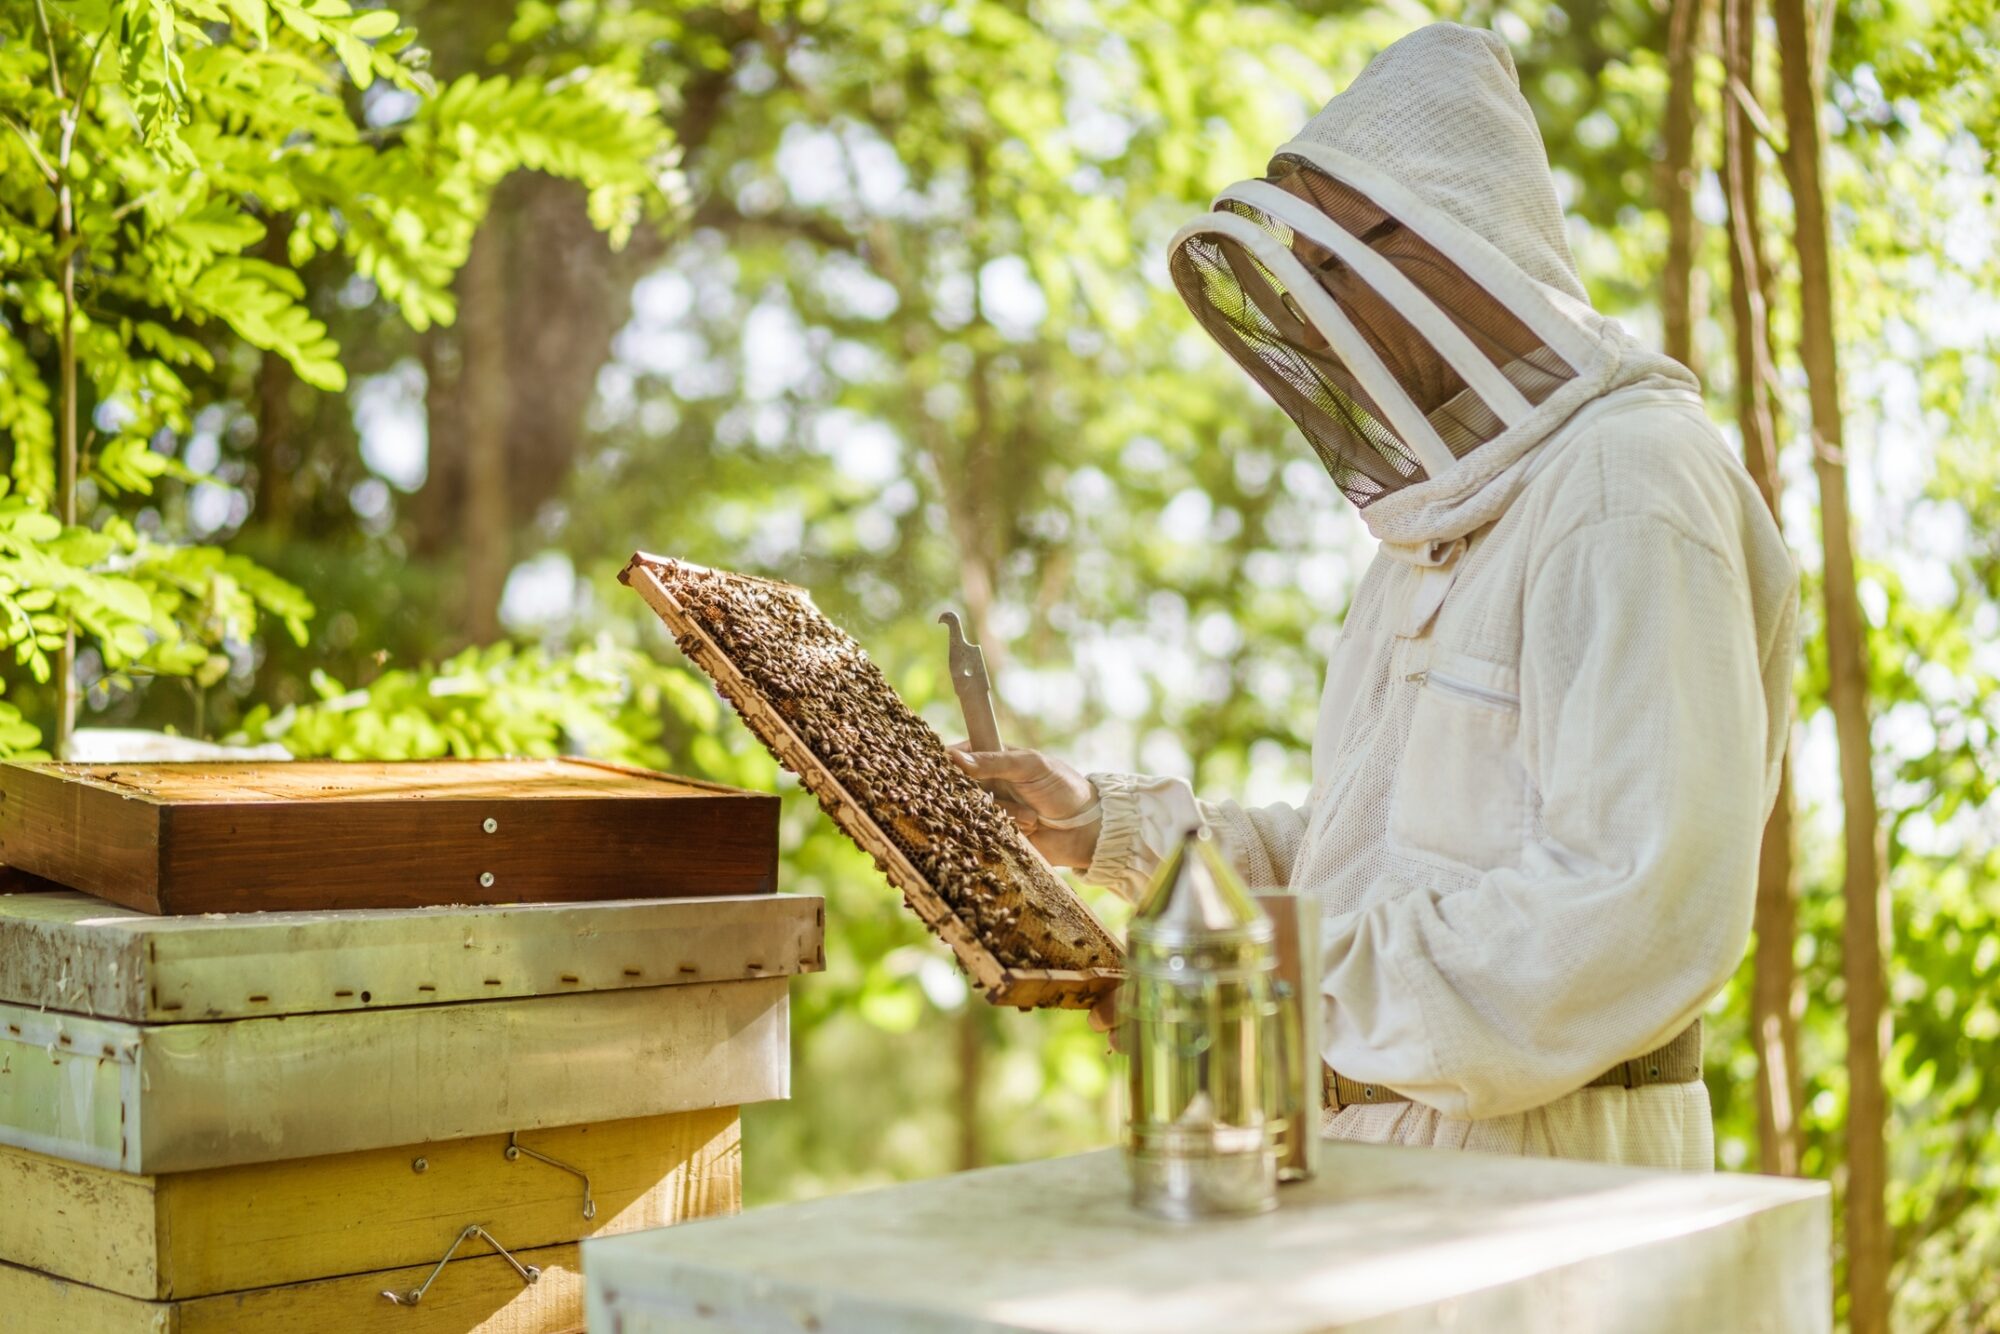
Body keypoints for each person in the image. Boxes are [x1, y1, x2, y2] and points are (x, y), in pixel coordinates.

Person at [950, 21, 1797, 1170]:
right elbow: (1362, 858)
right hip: (1372, 1150)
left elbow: (1622, 910)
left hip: (1544, 1178)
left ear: (1448, 242)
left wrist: (1261, 987)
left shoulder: (1625, 484)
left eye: (1333, 270)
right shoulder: (1430, 536)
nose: (1312, 320)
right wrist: (1108, 825)